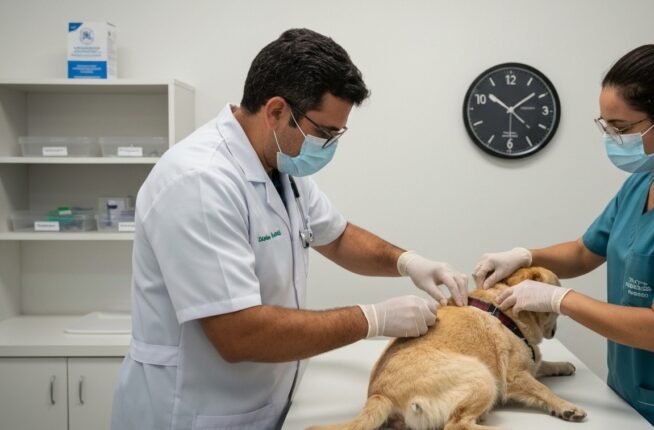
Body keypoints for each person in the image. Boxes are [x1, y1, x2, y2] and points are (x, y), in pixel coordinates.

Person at [111, 28, 468, 430]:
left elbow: (338, 236)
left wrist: (408, 261)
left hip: (265, 400)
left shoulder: (279, 165)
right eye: (325, 132)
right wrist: (371, 319)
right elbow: (238, 334)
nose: (330, 145)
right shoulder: (199, 182)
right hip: (196, 412)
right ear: (277, 111)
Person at [473, 43, 654, 429]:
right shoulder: (642, 182)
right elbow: (584, 252)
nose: (611, 137)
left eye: (622, 128)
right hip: (630, 393)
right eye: (606, 126)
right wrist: (525, 256)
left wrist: (560, 299)